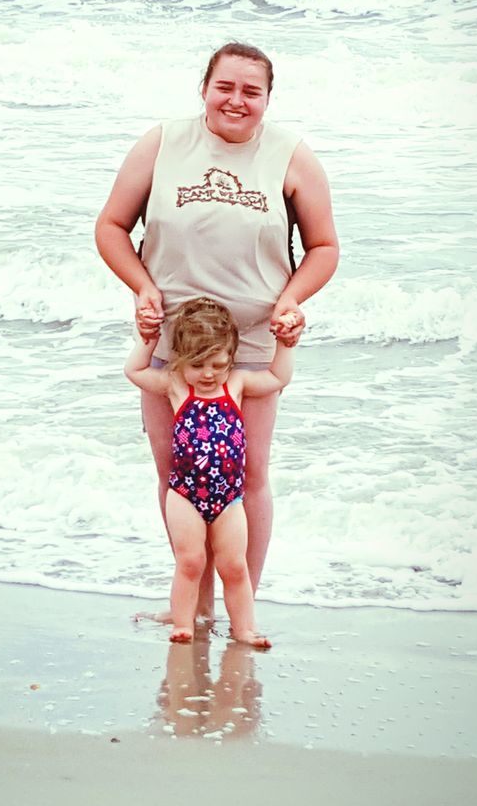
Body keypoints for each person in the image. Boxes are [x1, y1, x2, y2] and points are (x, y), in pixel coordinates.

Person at [96, 41, 338, 612]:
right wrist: (143, 286)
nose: (236, 100)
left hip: (251, 346)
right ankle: (194, 602)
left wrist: (292, 301)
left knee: (247, 475)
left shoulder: (291, 155)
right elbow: (110, 226)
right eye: (224, 87)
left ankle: (240, 606)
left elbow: (324, 248)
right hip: (172, 343)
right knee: (176, 473)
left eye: (251, 91)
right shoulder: (163, 143)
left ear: (268, 98)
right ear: (204, 88)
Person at [125, 297, 293, 647]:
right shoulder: (175, 386)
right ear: (181, 360)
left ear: (230, 359)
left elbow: (278, 377)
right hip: (185, 494)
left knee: (234, 567)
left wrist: (285, 342)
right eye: (198, 364)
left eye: (217, 364)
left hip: (229, 498)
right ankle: (184, 623)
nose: (208, 374)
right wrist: (149, 337)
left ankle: (244, 628)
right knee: (190, 562)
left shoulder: (236, 385)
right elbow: (135, 372)